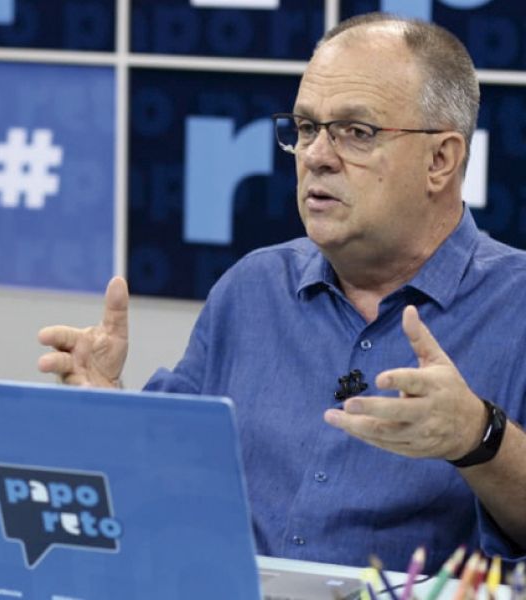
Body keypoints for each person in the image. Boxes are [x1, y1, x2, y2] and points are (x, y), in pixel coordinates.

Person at [37, 12, 526, 574]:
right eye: (307, 127)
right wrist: (109, 407)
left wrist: (479, 437)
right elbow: (167, 487)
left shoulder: (514, 307)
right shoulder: (253, 288)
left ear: (441, 160)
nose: (316, 155)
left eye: (356, 132)